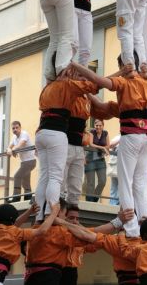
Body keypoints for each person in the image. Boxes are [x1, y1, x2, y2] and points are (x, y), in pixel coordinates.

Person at [70, 60, 147, 236]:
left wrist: (76, 65)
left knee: (126, 183)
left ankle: (132, 229)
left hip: (132, 135)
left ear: (124, 67)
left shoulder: (125, 83)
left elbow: (100, 81)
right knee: (140, 184)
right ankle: (145, 223)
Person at [35, 72, 102, 221]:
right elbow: (97, 85)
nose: (84, 80)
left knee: (73, 184)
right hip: (63, 142)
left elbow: (100, 107)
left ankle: (66, 218)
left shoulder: (54, 89)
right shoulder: (68, 90)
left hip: (75, 145)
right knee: (58, 180)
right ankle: (50, 215)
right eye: (82, 77)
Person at [6, 121, 36, 203]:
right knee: (25, 180)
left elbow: (22, 143)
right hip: (24, 162)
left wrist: (14, 149)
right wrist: (9, 149)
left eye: (16, 128)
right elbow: (9, 147)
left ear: (20, 128)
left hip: (30, 161)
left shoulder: (24, 134)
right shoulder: (14, 137)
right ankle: (28, 197)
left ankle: (16, 197)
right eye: (13, 128)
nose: (15, 130)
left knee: (17, 176)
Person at [84, 119, 110, 202]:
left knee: (102, 181)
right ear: (94, 126)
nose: (98, 127)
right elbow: (91, 144)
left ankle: (94, 200)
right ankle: (89, 202)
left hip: (100, 160)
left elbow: (108, 145)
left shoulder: (105, 133)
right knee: (90, 183)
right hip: (90, 159)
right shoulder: (92, 131)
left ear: (103, 126)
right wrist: (102, 148)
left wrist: (105, 149)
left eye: (100, 125)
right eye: (96, 125)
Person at [107, 135, 120, 206]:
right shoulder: (118, 137)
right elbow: (110, 145)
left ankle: (118, 203)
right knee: (114, 186)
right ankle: (113, 204)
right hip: (115, 165)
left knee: (121, 187)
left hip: (122, 166)